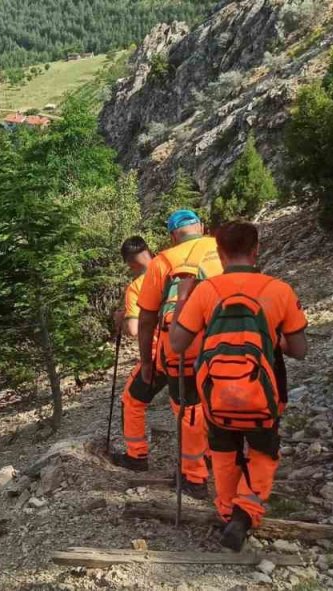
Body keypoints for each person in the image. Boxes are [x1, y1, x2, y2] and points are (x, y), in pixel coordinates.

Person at [169, 221, 308, 551]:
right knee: (262, 452)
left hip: (216, 395)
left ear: (220, 252)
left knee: (224, 453)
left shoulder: (206, 291)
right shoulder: (279, 290)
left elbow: (177, 344)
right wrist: (272, 337)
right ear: (256, 249)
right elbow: (300, 350)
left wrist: (182, 303)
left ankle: (226, 512)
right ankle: (245, 513)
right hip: (266, 391)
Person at [116, 210, 223, 501]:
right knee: (211, 406)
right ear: (201, 226)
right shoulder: (223, 248)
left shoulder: (164, 264)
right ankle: (217, 461)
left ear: (172, 236)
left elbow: (142, 323)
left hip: (178, 350)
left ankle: (190, 475)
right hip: (226, 343)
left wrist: (148, 362)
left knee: (185, 409)